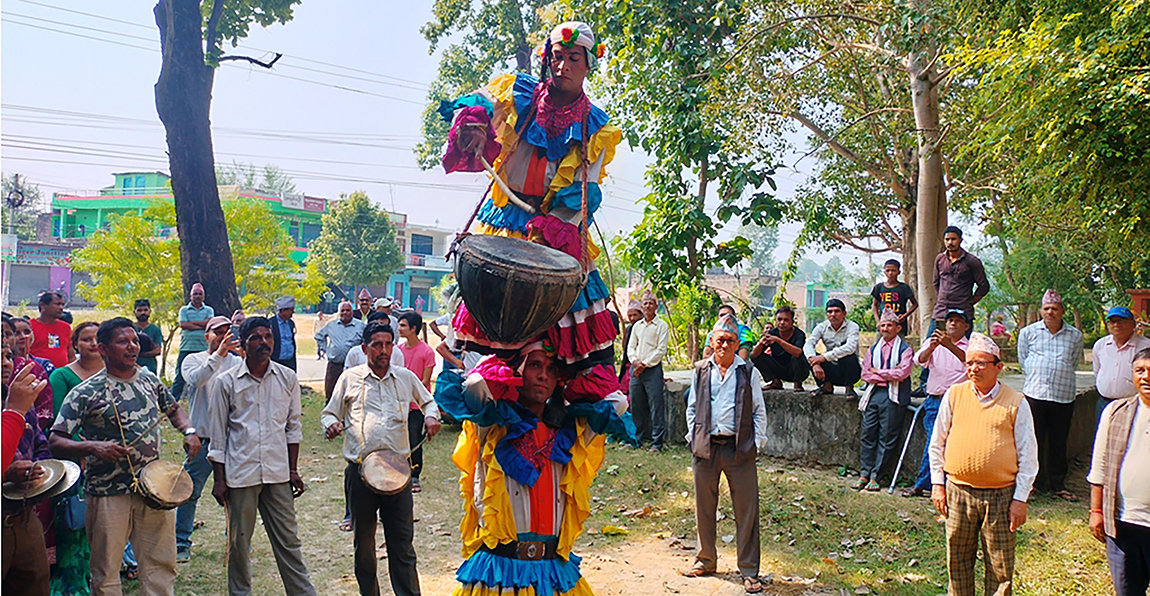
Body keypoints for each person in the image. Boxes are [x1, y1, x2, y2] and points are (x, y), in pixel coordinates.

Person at [434, 339, 631, 596]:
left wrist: (575, 372)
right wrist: (506, 355)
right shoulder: (492, 426)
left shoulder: (571, 433)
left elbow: (618, 403)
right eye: (534, 365)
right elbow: (475, 385)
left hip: (552, 572)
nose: (543, 376)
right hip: (500, 574)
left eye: (552, 370)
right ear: (517, 370)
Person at [48, 317, 201, 596]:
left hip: (154, 488)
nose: (132, 347)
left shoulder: (148, 379)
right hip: (108, 492)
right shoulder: (85, 392)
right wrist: (94, 447)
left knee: (160, 565)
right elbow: (56, 440)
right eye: (123, 342)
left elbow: (174, 408)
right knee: (106, 571)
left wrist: (189, 430)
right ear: (104, 349)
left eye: (134, 341)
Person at [321, 320, 441, 596]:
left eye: (388, 344)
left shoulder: (405, 377)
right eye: (377, 345)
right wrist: (330, 425)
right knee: (364, 545)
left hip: (398, 473)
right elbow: (330, 412)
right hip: (360, 472)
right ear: (365, 349)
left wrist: (431, 416)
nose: (383, 350)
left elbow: (427, 401)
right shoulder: (349, 378)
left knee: (402, 544)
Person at [207, 317, 317, 596]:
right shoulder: (225, 382)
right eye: (255, 337)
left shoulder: (287, 378)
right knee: (239, 544)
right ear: (242, 344)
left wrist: (293, 470)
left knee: (289, 540)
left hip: (278, 473)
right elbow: (218, 437)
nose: (263, 342)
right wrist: (219, 480)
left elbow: (293, 428)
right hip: (240, 474)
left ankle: (302, 592)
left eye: (268, 337)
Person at [929, 333, 1037, 596]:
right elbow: (937, 443)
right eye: (969, 363)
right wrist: (937, 485)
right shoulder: (954, 395)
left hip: (1000, 495)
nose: (973, 369)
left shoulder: (1016, 402)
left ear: (998, 367)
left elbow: (1029, 457)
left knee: (1000, 564)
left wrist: (1020, 499)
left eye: (981, 363)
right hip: (958, 491)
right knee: (958, 559)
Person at [684, 315, 767, 593]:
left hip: (739, 448)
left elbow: (758, 410)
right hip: (705, 448)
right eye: (720, 339)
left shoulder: (748, 371)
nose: (724, 345)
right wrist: (692, 438)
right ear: (711, 342)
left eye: (730, 340)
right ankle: (705, 560)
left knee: (747, 510)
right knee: (704, 507)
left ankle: (749, 569)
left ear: (737, 343)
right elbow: (692, 408)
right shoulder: (700, 370)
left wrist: (758, 442)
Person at [175, 316, 241, 562]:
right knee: (188, 492)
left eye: (227, 332)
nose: (223, 336)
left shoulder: (237, 362)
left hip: (231, 440)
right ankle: (181, 543)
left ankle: (234, 542)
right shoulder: (193, 359)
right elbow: (197, 379)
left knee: (235, 492)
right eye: (217, 332)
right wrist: (219, 355)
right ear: (207, 336)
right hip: (201, 440)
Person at [1088, 347, 1150, 596]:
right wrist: (1096, 511)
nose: (1146, 377)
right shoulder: (1115, 412)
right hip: (1123, 524)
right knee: (1127, 591)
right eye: (1139, 371)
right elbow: (1099, 466)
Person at [46, 321, 101, 595]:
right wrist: (83, 450)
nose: (92, 343)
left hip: (112, 466)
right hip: (77, 462)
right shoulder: (62, 377)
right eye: (86, 339)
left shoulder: (118, 375)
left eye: (97, 338)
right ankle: (72, 587)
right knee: (75, 528)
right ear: (74, 344)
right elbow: (57, 424)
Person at [1017, 289, 1084, 501]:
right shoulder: (1028, 333)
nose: (1050, 312)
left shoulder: (1075, 335)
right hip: (1035, 394)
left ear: (1062, 311)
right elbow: (1023, 359)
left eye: (1055, 309)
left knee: (1058, 441)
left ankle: (1058, 484)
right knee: (1033, 440)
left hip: (1063, 396)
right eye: (1046, 309)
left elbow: (1072, 362)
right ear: (1041, 311)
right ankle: (1033, 484)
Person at [2, 343, 53, 596]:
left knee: (34, 583)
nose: (5, 363)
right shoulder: (16, 404)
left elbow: (39, 441)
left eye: (8, 356)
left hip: (23, 516)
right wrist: (8, 473)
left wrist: (41, 470)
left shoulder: (20, 399)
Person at [903, 308, 970, 498]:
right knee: (935, 441)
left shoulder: (970, 346)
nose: (953, 324)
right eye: (950, 321)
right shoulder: (933, 342)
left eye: (958, 321)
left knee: (955, 442)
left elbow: (971, 362)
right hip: (935, 400)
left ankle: (950, 485)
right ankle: (925, 483)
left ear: (966, 326)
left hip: (959, 402)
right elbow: (919, 360)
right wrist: (932, 347)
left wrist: (949, 346)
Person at [852, 308, 913, 491]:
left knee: (887, 436)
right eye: (883, 325)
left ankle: (876, 476)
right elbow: (865, 375)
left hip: (893, 395)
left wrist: (878, 372)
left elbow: (903, 373)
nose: (885, 328)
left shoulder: (905, 349)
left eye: (889, 325)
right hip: (874, 394)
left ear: (897, 328)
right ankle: (864, 473)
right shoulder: (873, 349)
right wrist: (887, 375)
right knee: (868, 434)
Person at [922, 226, 988, 394]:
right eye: (947, 240)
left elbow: (983, 287)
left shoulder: (972, 261)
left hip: (962, 313)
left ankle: (970, 384)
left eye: (953, 239)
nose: (950, 243)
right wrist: (944, 297)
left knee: (964, 349)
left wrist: (970, 301)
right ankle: (924, 384)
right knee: (932, 344)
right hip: (941, 311)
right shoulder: (939, 260)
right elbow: (936, 283)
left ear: (960, 240)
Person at [397, 312, 436, 494]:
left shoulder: (427, 351)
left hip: (416, 405)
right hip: (399, 404)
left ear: (414, 329)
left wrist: (410, 394)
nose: (399, 328)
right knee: (398, 438)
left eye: (403, 325)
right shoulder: (397, 350)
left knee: (414, 438)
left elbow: (425, 381)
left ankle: (415, 475)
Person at [1092, 306, 1150, 427]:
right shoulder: (1101, 345)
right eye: (1113, 321)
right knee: (1104, 439)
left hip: (1135, 404)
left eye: (1121, 320)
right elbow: (1097, 371)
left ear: (1133, 324)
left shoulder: (1146, 346)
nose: (1116, 324)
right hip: (1104, 403)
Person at [627, 290, 670, 452]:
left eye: (651, 303)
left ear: (656, 306)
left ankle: (657, 443)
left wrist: (643, 364)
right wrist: (635, 362)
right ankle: (638, 438)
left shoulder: (662, 326)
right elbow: (631, 347)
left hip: (652, 370)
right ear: (642, 306)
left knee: (656, 405)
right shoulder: (637, 326)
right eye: (645, 303)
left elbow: (661, 350)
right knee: (636, 405)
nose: (648, 306)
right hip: (636, 370)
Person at [804, 299, 862, 397]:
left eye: (837, 311)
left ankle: (849, 388)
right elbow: (808, 344)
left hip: (850, 371)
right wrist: (815, 363)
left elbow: (850, 347)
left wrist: (824, 357)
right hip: (830, 370)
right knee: (809, 355)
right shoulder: (821, 327)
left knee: (848, 355)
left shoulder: (853, 327)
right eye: (830, 312)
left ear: (844, 314)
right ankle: (826, 386)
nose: (833, 314)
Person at [8, 316, 55, 431]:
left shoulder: (44, 366)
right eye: (16, 333)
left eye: (27, 332)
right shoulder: (5, 367)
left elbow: (46, 405)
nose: (23, 336)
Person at [314, 301, 366, 402]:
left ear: (352, 312)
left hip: (353, 367)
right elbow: (318, 336)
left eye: (348, 310)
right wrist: (327, 350)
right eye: (342, 311)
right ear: (339, 312)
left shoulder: (360, 326)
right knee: (331, 393)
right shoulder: (332, 325)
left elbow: (366, 342)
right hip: (335, 365)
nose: (345, 313)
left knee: (352, 394)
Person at [750, 305, 809, 391]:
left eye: (786, 320)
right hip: (778, 368)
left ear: (792, 322)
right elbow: (754, 355)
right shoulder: (772, 333)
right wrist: (761, 343)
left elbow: (798, 352)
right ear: (775, 321)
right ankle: (775, 381)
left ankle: (797, 383)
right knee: (755, 356)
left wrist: (778, 341)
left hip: (796, 370)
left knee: (797, 356)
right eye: (779, 319)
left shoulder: (799, 334)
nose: (782, 322)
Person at [172, 283, 214, 400]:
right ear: (190, 296)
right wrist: (202, 324)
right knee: (179, 376)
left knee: (205, 375)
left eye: (200, 294)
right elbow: (183, 324)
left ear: (204, 297)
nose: (197, 296)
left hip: (203, 348)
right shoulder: (184, 310)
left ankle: (206, 399)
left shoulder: (209, 310)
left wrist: (192, 323)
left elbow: (209, 324)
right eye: (195, 294)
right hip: (186, 347)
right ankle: (172, 402)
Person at [870, 259, 917, 337]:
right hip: (883, 324)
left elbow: (915, 304)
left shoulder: (904, 288)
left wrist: (905, 316)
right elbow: (875, 305)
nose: (890, 273)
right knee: (878, 346)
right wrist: (878, 321)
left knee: (898, 347)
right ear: (884, 272)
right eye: (888, 270)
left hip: (898, 325)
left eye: (893, 270)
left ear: (899, 272)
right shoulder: (879, 287)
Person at [29, 292, 74, 369]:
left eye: (63, 305)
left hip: (61, 375)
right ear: (43, 305)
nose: (61, 308)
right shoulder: (30, 326)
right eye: (57, 304)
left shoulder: (66, 327)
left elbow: (71, 354)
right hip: (38, 373)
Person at [132, 300, 164, 375]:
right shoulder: (130, 328)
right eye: (139, 310)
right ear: (134, 312)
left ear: (150, 311)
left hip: (150, 367)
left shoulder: (155, 329)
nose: (143, 313)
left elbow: (157, 351)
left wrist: (138, 353)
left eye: (145, 310)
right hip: (132, 367)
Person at [618, 299, 642, 392]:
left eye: (635, 315)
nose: (632, 318)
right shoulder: (629, 329)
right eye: (629, 316)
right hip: (630, 366)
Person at [270, 296, 298, 371]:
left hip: (289, 362)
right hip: (276, 361)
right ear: (282, 310)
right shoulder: (271, 323)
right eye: (290, 310)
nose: (293, 312)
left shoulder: (290, 323)